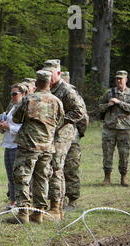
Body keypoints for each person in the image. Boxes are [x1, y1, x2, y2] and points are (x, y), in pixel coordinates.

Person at [6, 70, 64, 224]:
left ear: (37, 83)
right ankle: (38, 214)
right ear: (50, 83)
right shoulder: (56, 101)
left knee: (22, 177)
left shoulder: (29, 99)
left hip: (28, 146)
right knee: (42, 179)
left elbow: (17, 119)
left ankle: (23, 213)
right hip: (47, 147)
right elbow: (60, 121)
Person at [43, 59, 85, 221]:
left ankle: (57, 207)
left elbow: (79, 112)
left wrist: (61, 121)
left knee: (57, 167)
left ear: (58, 73)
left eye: (50, 74)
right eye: (45, 73)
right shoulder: (47, 89)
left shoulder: (66, 90)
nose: (48, 76)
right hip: (49, 134)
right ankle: (48, 202)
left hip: (63, 134)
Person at [96, 70, 130, 186]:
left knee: (124, 154)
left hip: (124, 129)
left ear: (126, 79)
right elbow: (99, 107)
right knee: (107, 153)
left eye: (121, 78)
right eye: (117, 78)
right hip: (109, 128)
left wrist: (119, 103)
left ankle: (123, 177)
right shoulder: (109, 93)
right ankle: (107, 178)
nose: (119, 81)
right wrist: (108, 105)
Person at [61, 72, 89, 211]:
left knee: (71, 169)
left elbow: (83, 118)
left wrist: (78, 134)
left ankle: (72, 200)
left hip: (71, 139)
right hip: (57, 139)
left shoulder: (73, 96)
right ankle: (60, 200)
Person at [0, 83, 27, 210]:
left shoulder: (25, 108)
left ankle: (21, 203)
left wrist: (9, 127)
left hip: (18, 145)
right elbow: (9, 125)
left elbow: (25, 128)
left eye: (15, 94)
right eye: (11, 94)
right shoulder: (13, 107)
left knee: (18, 176)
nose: (12, 96)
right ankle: (12, 201)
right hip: (8, 144)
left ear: (23, 94)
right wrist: (2, 126)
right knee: (10, 175)